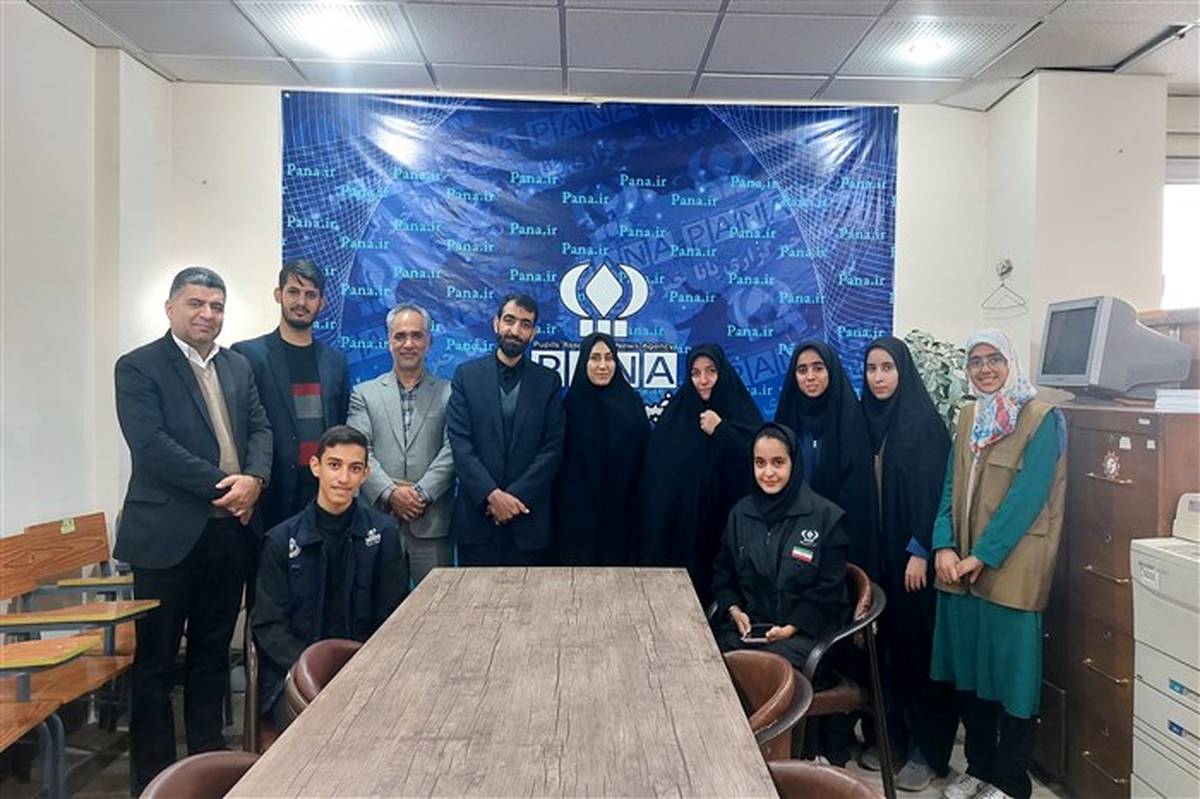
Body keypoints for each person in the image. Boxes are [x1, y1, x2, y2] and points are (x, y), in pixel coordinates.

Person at [114, 266, 272, 793]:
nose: (207, 314)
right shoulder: (138, 367)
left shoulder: (238, 366)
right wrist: (229, 486)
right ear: (170, 308)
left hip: (229, 534)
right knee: (155, 665)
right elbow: (152, 446)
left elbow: (261, 428)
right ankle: (156, 780)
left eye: (216, 306)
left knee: (211, 656)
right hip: (166, 537)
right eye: (196, 303)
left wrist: (256, 479)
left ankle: (207, 770)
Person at [931, 330, 1066, 799]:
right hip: (962, 568)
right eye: (975, 361)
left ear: (1011, 362)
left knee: (1012, 680)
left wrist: (981, 555)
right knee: (972, 674)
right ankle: (979, 769)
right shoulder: (970, 414)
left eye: (994, 359)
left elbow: (1029, 498)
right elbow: (951, 484)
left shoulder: (1041, 418)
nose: (985, 369)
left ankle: (1010, 782)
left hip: (1013, 567)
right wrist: (943, 544)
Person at [252, 425, 408, 731]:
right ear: (316, 466)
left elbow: (394, 620)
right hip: (296, 677)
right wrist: (312, 672)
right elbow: (270, 626)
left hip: (366, 674)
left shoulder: (385, 535)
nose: (343, 478)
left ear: (365, 475)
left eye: (354, 468)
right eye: (334, 465)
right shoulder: (280, 541)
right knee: (323, 727)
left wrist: (361, 672)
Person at [859, 337, 958, 792]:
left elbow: (939, 493)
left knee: (920, 654)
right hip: (879, 559)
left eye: (887, 368)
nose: (878, 377)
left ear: (903, 371)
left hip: (914, 562)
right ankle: (893, 739)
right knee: (887, 654)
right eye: (871, 369)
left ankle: (928, 751)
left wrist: (920, 549)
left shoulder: (924, 424)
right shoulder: (865, 420)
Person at [711, 422, 850, 672]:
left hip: (808, 637)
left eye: (778, 463)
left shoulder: (825, 517)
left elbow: (829, 589)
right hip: (752, 631)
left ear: (794, 463)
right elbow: (723, 574)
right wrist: (734, 610)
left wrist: (792, 627)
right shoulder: (740, 514)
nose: (768, 473)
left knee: (759, 667)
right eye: (760, 463)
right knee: (710, 657)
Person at [638, 344, 762, 606]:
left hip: (725, 536)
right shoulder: (676, 417)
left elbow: (756, 467)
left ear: (723, 373)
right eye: (695, 373)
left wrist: (722, 430)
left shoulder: (742, 413)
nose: (703, 380)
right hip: (682, 539)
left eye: (711, 371)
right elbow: (657, 483)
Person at [446, 293, 565, 566]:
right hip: (478, 520)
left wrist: (514, 498)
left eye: (525, 324)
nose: (515, 330)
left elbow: (552, 448)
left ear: (533, 333)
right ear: (496, 323)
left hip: (529, 520)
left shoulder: (548, 381)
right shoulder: (466, 376)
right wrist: (492, 495)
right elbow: (461, 443)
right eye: (509, 320)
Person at [233, 258, 349, 534]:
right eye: (293, 292)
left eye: (311, 295)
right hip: (269, 494)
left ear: (322, 303)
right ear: (278, 295)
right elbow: (241, 429)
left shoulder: (335, 362)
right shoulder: (248, 355)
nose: (301, 302)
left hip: (322, 493)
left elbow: (340, 425)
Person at [348, 302, 454, 584]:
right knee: (376, 607)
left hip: (432, 524)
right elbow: (359, 452)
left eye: (417, 335)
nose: (408, 344)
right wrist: (390, 493)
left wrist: (419, 494)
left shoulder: (450, 393)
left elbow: (453, 450)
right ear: (389, 341)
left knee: (436, 606)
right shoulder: (364, 394)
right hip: (378, 522)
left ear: (428, 341)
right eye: (400, 336)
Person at [775, 341, 879, 579]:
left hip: (841, 539)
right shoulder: (787, 418)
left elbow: (858, 492)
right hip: (791, 535)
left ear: (831, 371)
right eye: (802, 370)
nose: (810, 377)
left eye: (818, 368)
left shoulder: (851, 420)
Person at [554, 333, 650, 566]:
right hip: (576, 522)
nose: (603, 366)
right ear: (583, 362)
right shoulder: (568, 407)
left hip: (624, 517)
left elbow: (645, 460)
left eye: (609, 358)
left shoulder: (632, 404)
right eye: (595, 358)